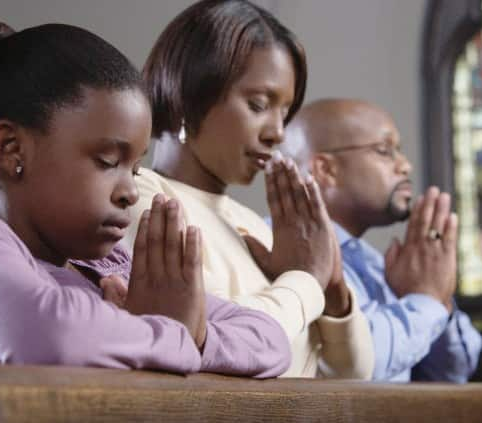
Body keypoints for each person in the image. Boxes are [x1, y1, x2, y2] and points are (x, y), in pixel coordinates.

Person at [0, 12, 291, 378]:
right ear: (12, 149)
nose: (129, 192)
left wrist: (197, 336)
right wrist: (171, 331)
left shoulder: (115, 269)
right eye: (108, 161)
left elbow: (271, 341)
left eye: (136, 169)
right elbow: (53, 334)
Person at [124, 0, 374, 379]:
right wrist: (306, 279)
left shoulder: (253, 226)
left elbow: (352, 378)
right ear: (188, 93)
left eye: (285, 112)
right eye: (259, 105)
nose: (278, 133)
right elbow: (220, 346)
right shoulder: (143, 200)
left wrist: (334, 290)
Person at [283, 99, 482, 382]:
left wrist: (437, 298)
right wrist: (426, 300)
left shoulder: (375, 263)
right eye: (385, 151)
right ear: (327, 170)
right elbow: (362, 367)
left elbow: (453, 372)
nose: (405, 166)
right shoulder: (287, 253)